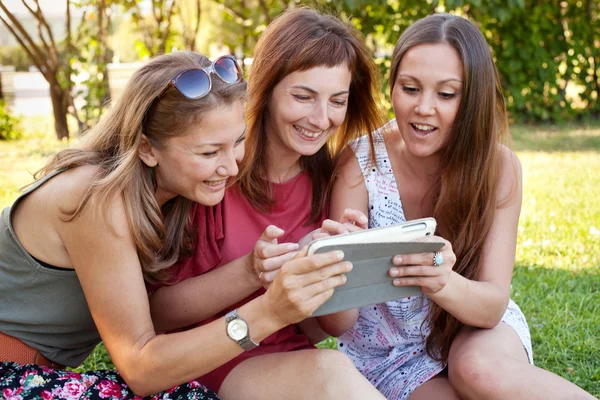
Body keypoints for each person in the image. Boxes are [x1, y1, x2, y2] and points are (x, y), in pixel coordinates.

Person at [0, 51, 354, 398]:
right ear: (147, 148)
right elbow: (140, 368)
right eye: (208, 153)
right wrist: (267, 312)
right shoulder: (96, 197)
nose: (231, 168)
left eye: (238, 142)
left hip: (37, 372)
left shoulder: (172, 194)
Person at [328, 13, 596, 400]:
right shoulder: (360, 162)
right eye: (410, 88)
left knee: (478, 372)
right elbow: (338, 325)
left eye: (446, 94)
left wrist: (442, 282)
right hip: (388, 356)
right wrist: (344, 269)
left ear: (472, 99)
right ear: (393, 86)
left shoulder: (498, 167)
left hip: (473, 329)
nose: (423, 108)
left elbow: (491, 304)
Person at [149, 8, 387, 400]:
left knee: (333, 367)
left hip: (289, 361)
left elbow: (334, 326)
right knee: (331, 370)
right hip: (205, 360)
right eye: (303, 96)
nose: (321, 118)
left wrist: (340, 263)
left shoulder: (329, 180)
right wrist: (252, 272)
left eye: (337, 101)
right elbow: (160, 312)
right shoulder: (213, 171)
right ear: (267, 88)